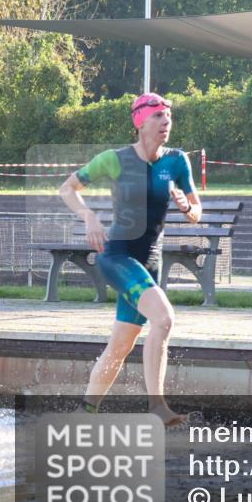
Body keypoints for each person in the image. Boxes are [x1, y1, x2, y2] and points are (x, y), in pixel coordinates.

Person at [58, 93, 201, 426]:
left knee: (121, 345)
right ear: (140, 122)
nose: (166, 122)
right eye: (158, 117)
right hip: (118, 255)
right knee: (163, 319)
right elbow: (67, 188)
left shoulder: (177, 162)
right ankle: (158, 407)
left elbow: (197, 212)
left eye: (168, 116)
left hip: (150, 261)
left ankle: (85, 413)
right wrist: (89, 217)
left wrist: (186, 207)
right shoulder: (115, 159)